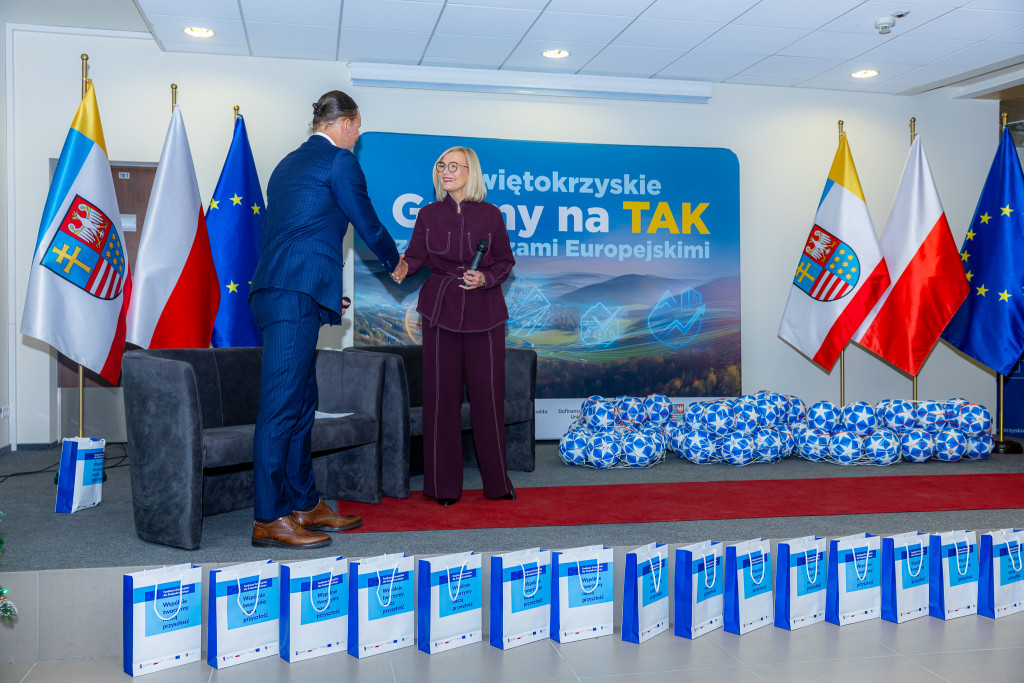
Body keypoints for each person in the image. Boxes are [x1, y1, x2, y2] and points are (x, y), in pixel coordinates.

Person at [248, 90, 407, 548]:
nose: (356, 138)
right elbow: (366, 220)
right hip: (291, 296)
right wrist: (395, 262)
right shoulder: (340, 161)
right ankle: (268, 517)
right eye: (357, 129)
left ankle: (304, 503)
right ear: (346, 123)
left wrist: (324, 294)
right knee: (280, 407)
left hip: (286, 292)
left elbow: (297, 232)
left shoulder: (286, 164)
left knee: (301, 405)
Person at [395, 146, 516, 505]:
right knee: (441, 400)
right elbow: (415, 257)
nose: (445, 171)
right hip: (440, 313)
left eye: (453, 166)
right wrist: (401, 267)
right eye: (441, 166)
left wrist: (485, 278)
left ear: (469, 171)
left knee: (488, 401)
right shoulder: (428, 214)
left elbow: (505, 262)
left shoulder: (492, 214)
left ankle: (498, 484)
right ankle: (442, 488)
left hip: (486, 315)